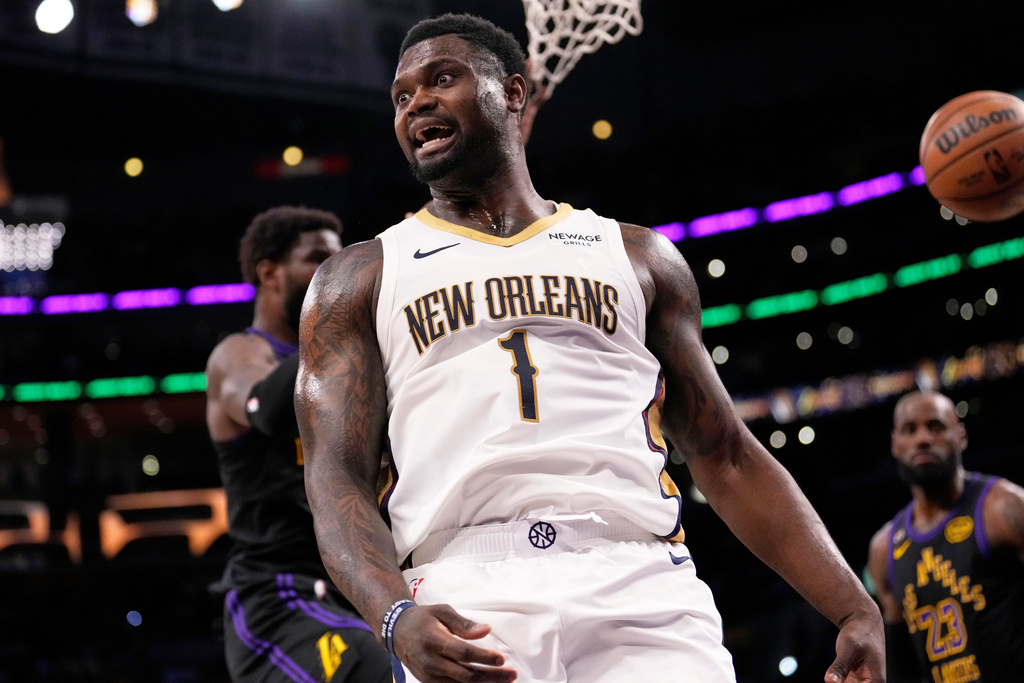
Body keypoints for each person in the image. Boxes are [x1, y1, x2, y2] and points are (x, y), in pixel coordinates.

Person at [295, 13, 885, 683]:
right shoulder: (357, 279)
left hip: (640, 579)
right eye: (402, 96)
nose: (417, 102)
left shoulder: (638, 256)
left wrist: (852, 607)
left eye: (442, 79)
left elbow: (724, 453)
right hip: (466, 591)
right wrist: (393, 613)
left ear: (515, 93)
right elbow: (334, 479)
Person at [204, 206, 394, 682]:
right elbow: (265, 407)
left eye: (339, 259)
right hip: (279, 598)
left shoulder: (358, 363)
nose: (333, 271)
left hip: (364, 582)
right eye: (317, 259)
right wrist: (343, 308)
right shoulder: (240, 354)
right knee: (375, 665)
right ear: (269, 272)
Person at [867, 390, 1024, 682]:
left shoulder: (1005, 508)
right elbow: (902, 665)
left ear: (961, 436)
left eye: (936, 427)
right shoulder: (882, 548)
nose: (923, 439)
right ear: (895, 444)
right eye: (909, 430)